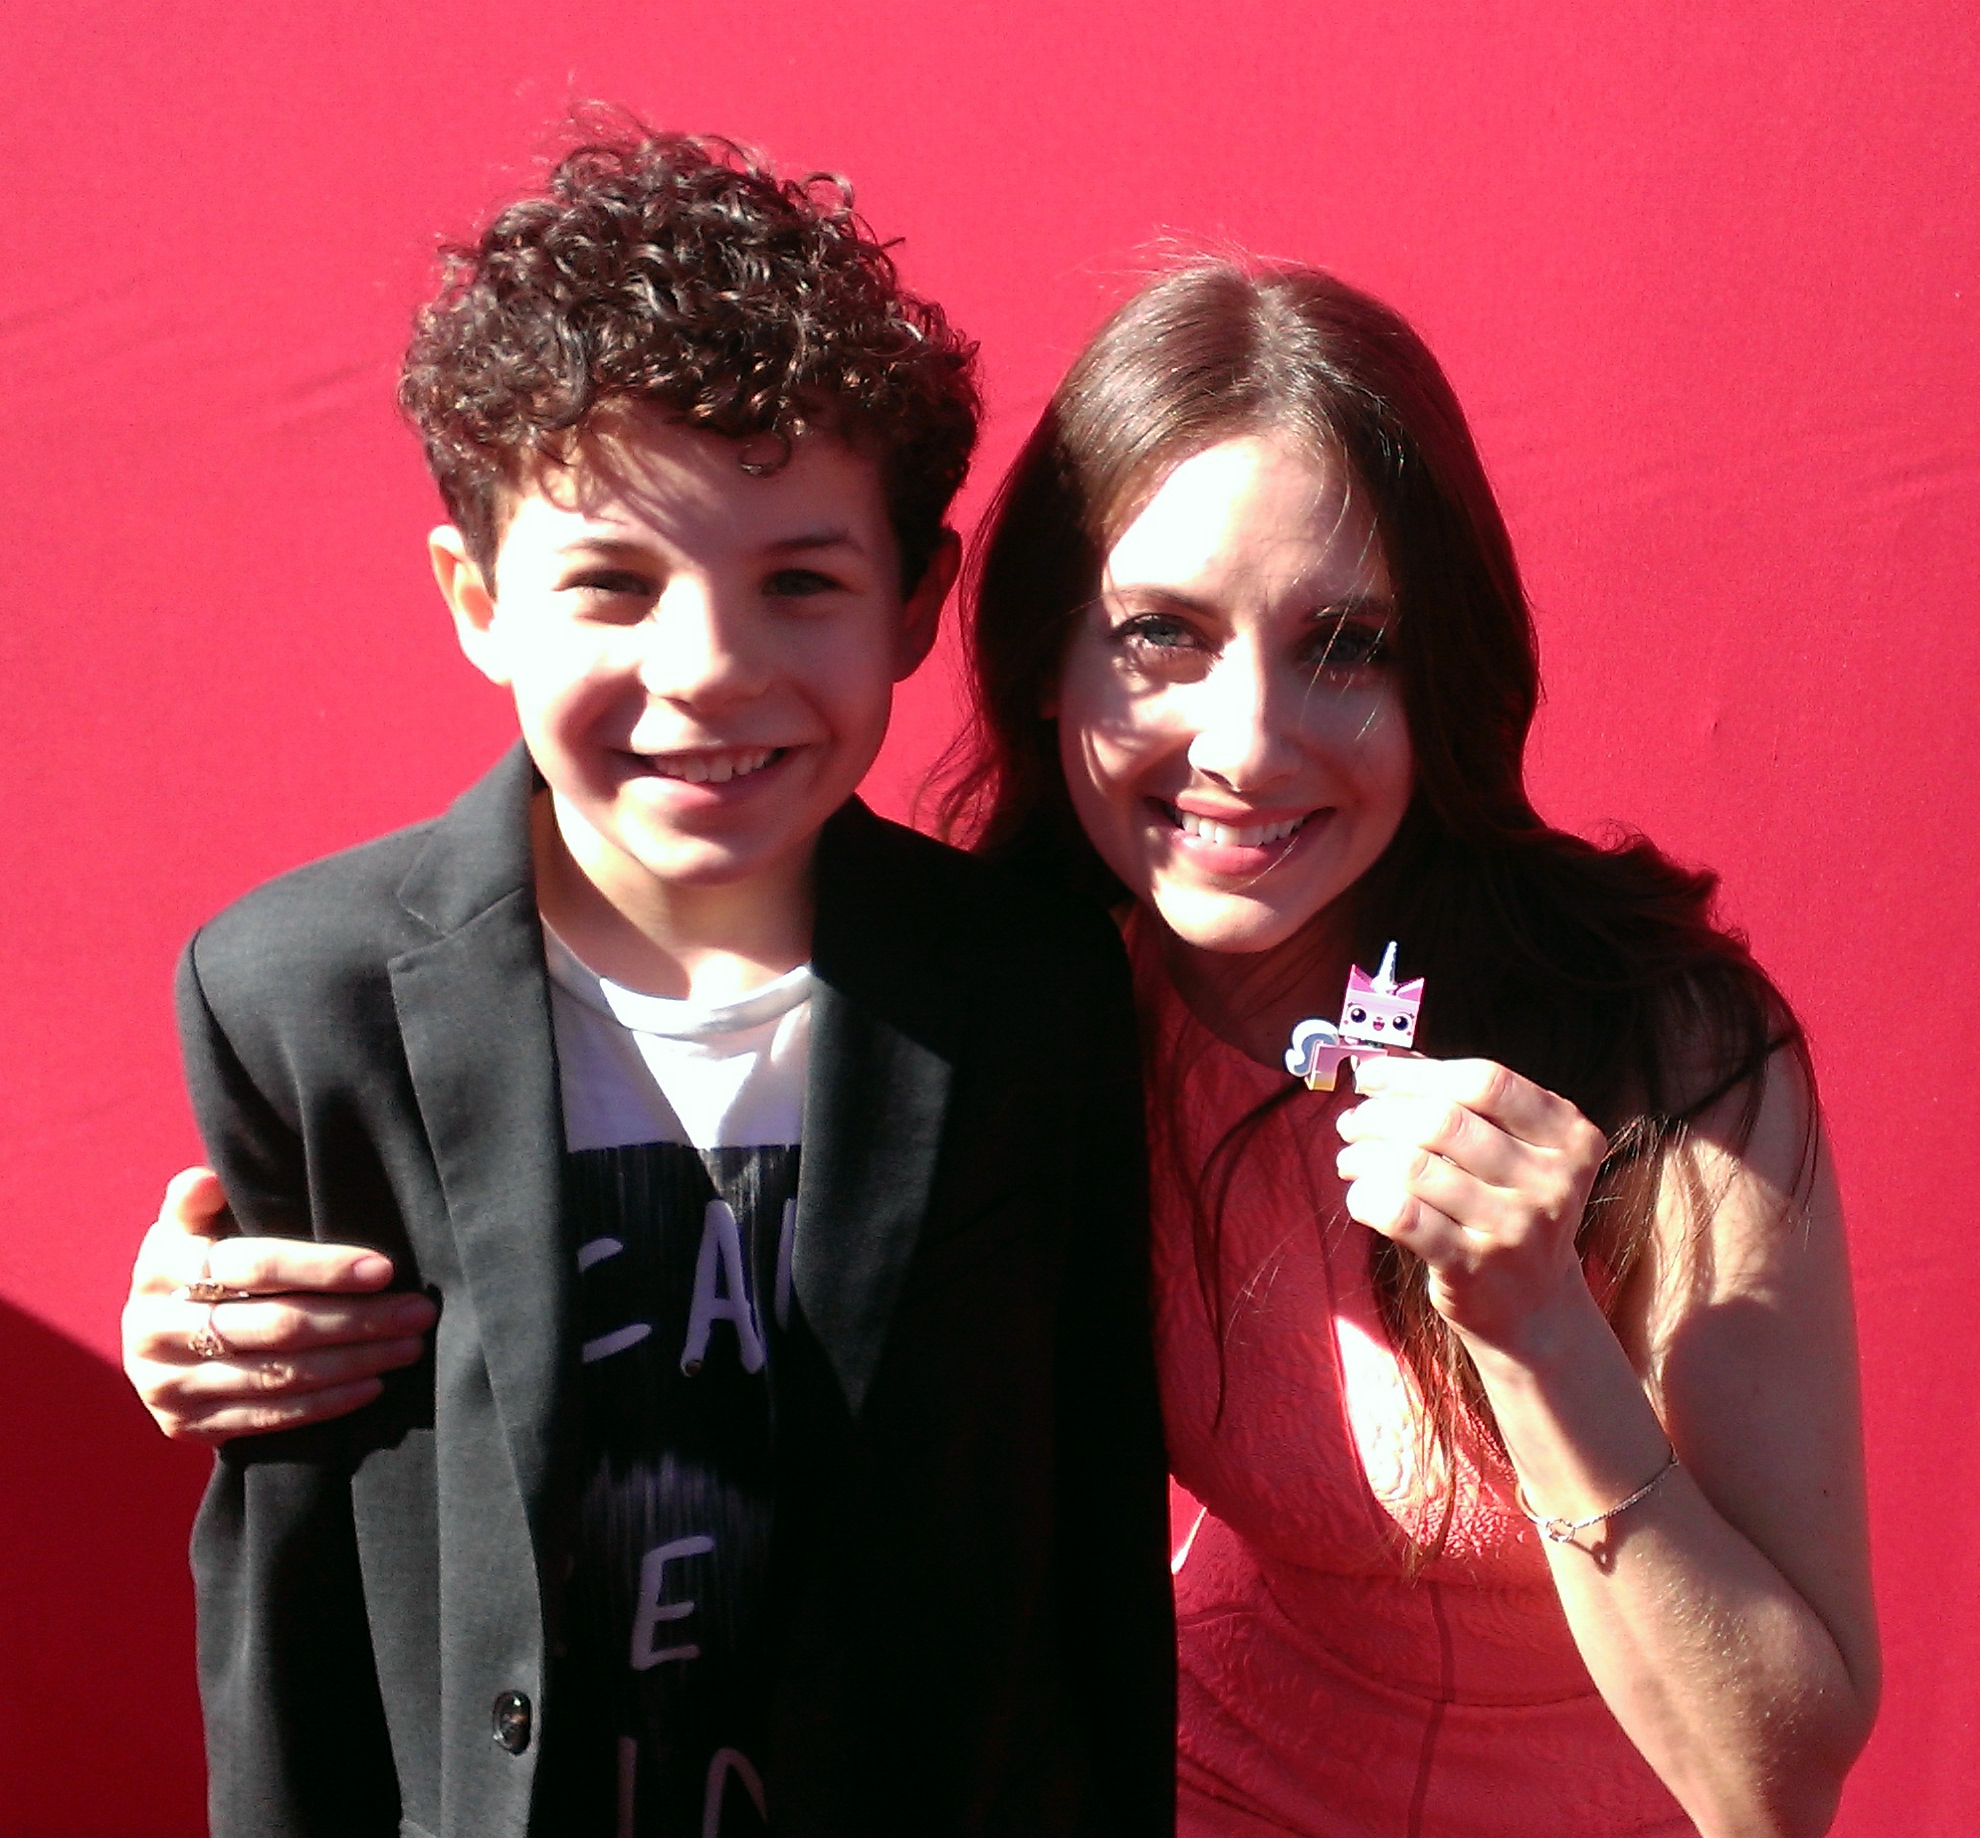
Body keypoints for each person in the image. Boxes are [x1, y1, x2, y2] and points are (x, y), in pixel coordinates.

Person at [128, 259, 1878, 1836]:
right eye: (1163, 637)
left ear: (1447, 670)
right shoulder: (1035, 1000)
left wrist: (1541, 1328)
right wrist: (217, 1296)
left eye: (1345, 645)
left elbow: (1773, 1775)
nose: (1248, 745)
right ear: (1043, 655)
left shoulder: (1666, 1058)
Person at [132, 121, 1174, 1838]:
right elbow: (293, 1584)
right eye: (611, 582)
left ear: (918, 600)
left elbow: (1090, 1543)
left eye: (802, 583)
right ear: (475, 600)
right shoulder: (298, 995)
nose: (708, 669)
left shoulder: (1027, 985)